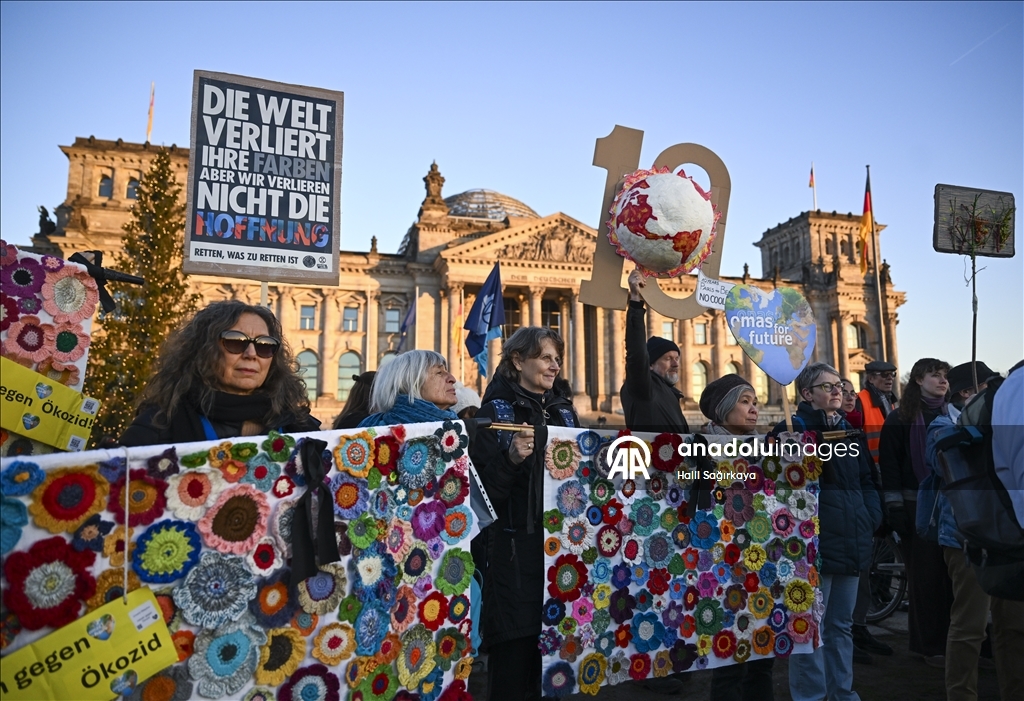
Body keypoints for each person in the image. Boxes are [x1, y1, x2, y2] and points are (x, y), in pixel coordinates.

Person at [469, 327, 579, 701]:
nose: (555, 365)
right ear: (517, 361)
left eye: (557, 359)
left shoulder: (565, 414)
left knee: (555, 676)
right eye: (546, 357)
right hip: (514, 562)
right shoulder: (493, 415)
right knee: (513, 678)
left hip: (563, 559)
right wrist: (511, 460)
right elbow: (481, 501)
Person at [777, 362, 881, 701]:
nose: (838, 390)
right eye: (827, 386)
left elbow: (867, 479)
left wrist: (871, 516)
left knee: (841, 626)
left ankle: (843, 693)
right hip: (813, 547)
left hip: (850, 539)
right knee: (809, 628)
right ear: (807, 394)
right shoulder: (790, 428)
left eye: (839, 385)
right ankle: (811, 696)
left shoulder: (851, 431)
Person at [925, 361, 1024, 701]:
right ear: (968, 392)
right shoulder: (943, 423)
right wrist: (969, 434)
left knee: (1012, 626)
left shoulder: (996, 417)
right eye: (987, 388)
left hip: (1007, 537)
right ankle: (961, 695)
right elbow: (937, 457)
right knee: (971, 627)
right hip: (964, 538)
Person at [120, 301, 319, 446]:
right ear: (205, 351)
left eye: (265, 346)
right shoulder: (157, 426)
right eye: (235, 342)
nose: (251, 354)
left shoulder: (300, 428)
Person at [701, 374, 775, 701]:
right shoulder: (701, 450)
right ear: (724, 409)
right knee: (730, 658)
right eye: (744, 402)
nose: (754, 409)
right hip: (721, 568)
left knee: (763, 656)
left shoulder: (766, 450)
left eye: (755, 402)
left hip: (762, 563)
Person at [878, 358, 955, 666]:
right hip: (914, 506)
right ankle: (929, 644)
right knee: (926, 579)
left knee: (953, 577)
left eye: (945, 376)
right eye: (935, 376)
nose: (942, 381)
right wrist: (895, 507)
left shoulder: (954, 416)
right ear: (919, 380)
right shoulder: (899, 420)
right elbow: (891, 467)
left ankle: (956, 641)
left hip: (950, 505)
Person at [620, 268, 690, 433]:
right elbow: (636, 353)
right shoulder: (643, 387)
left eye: (677, 358)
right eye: (668, 359)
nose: (675, 364)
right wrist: (636, 300)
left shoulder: (670, 393)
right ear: (650, 365)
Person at [357, 350, 457, 427]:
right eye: (439, 372)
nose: (452, 379)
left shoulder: (459, 428)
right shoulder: (373, 433)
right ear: (409, 383)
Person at [857, 360, 898, 465]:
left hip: (889, 462)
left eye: (892, 374)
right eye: (884, 375)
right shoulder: (860, 400)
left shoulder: (889, 401)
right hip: (871, 466)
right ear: (871, 379)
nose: (890, 378)